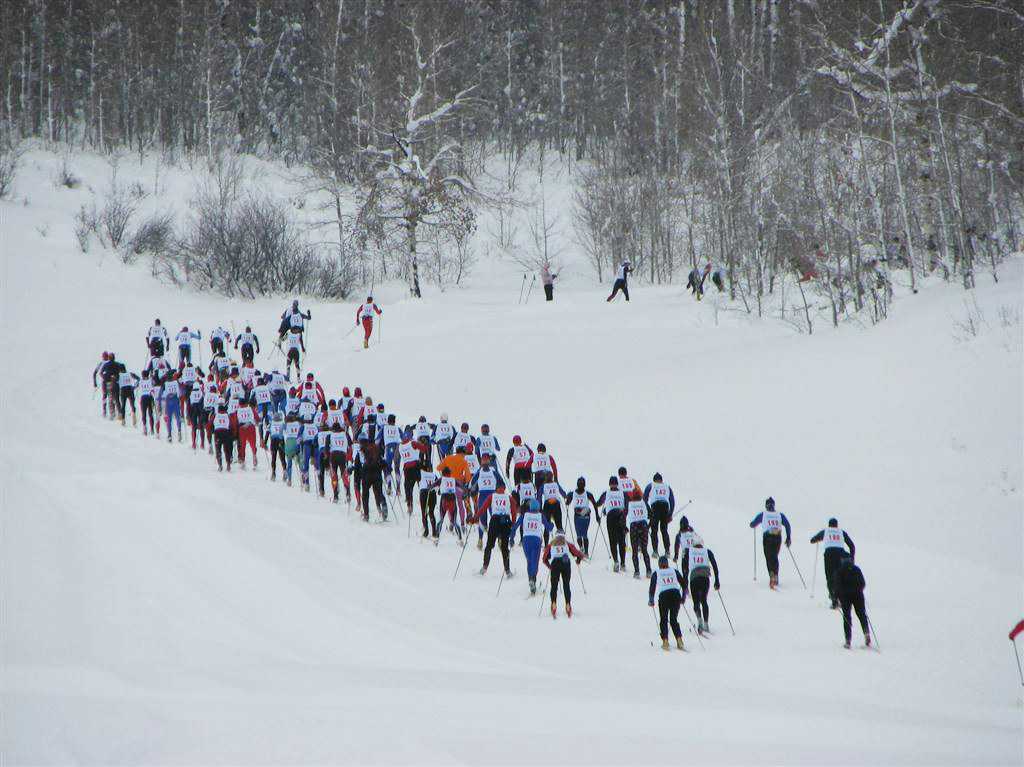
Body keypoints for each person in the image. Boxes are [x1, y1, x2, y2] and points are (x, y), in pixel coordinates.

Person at [469, 479, 517, 577]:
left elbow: (483, 508)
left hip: (495, 521)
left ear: (496, 488)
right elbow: (514, 510)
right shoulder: (509, 498)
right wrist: (513, 522)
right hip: (506, 521)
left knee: (489, 545)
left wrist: (475, 518)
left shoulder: (492, 496)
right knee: (504, 547)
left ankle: (484, 567)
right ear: (504, 488)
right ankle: (507, 571)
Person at [809, 519, 857, 609]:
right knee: (840, 577)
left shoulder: (826, 531)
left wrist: (816, 540)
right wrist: (852, 557)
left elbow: (812, 540)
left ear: (829, 525)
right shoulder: (841, 532)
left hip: (829, 555)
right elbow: (852, 545)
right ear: (837, 525)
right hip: (841, 555)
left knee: (830, 577)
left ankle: (834, 600)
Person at [749, 497, 792, 589]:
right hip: (777, 536)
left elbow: (754, 523)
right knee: (774, 556)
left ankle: (772, 575)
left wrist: (752, 524)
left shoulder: (763, 514)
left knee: (769, 557)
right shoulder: (779, 514)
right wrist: (788, 537)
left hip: (768, 537)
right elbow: (787, 525)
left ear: (766, 506)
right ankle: (775, 576)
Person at [680, 537, 720, 634]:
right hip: (705, 578)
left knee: (696, 601)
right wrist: (717, 580)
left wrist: (684, 583)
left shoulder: (689, 551)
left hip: (694, 578)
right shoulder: (707, 551)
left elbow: (684, 567)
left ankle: (699, 620)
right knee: (704, 600)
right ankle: (706, 624)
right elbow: (715, 565)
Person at [542, 532, 585, 619]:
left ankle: (553, 605)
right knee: (566, 585)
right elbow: (579, 554)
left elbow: (544, 559)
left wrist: (549, 566)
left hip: (555, 564)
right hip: (566, 563)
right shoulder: (567, 544)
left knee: (554, 586)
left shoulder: (551, 545)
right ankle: (568, 606)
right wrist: (578, 560)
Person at [648, 555, 687, 650]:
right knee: (673, 619)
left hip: (664, 596)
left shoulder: (656, 573)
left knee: (664, 619)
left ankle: (665, 641)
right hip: (675, 594)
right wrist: (683, 597)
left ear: (659, 564)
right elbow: (684, 584)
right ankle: (679, 640)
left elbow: (652, 587)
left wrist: (651, 600)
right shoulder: (674, 571)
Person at [512, 499, 550, 595]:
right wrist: (552, 525)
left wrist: (511, 538)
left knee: (529, 561)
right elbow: (549, 528)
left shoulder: (524, 515)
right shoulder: (540, 515)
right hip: (536, 540)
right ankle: (533, 579)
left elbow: (515, 526)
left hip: (526, 540)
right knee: (535, 561)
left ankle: (530, 580)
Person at [835, 553, 871, 649]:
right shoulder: (856, 569)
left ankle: (848, 640)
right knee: (861, 614)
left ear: (842, 560)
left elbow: (837, 586)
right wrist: (859, 590)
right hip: (858, 595)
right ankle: (866, 632)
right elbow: (863, 583)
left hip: (845, 597)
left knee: (847, 617)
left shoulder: (840, 571)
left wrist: (835, 598)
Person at [596, 476, 628, 572]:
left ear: (609, 484)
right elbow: (627, 505)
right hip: (621, 515)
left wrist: (603, 508)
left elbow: (598, 503)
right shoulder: (623, 493)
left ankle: (616, 562)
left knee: (612, 540)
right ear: (617, 484)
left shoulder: (606, 493)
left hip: (611, 517)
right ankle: (623, 563)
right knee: (622, 540)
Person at [644, 473, 676, 557]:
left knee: (654, 530)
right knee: (664, 530)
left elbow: (644, 499)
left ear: (654, 480)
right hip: (665, 507)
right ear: (662, 480)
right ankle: (667, 551)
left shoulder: (651, 485)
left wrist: (649, 511)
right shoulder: (667, 486)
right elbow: (672, 501)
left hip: (655, 507)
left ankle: (655, 551)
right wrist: (670, 513)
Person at [565, 478, 598, 557]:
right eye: (580, 484)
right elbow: (567, 503)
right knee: (580, 534)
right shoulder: (573, 494)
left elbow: (594, 504)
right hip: (578, 515)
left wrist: (597, 515)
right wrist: (567, 498)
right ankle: (582, 549)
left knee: (583, 534)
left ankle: (585, 551)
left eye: (582, 484)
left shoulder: (587, 494)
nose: (581, 486)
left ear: (584, 485)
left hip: (584, 514)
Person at [359, 436, 388, 521]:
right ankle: (383, 505)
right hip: (377, 474)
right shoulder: (377, 449)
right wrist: (385, 467)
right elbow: (383, 462)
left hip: (366, 474)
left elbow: (360, 463)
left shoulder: (362, 450)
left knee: (365, 495)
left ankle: (366, 515)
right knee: (379, 492)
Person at [627, 495, 652, 578]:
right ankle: (648, 571)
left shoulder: (630, 504)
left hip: (634, 526)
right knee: (644, 550)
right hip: (643, 525)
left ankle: (637, 571)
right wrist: (648, 526)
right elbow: (651, 514)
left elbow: (624, 514)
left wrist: (624, 526)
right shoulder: (644, 503)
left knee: (634, 551)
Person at [417, 461, 440, 541]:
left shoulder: (421, 473)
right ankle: (434, 531)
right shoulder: (434, 475)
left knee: (424, 513)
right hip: (432, 493)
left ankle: (426, 531)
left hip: (424, 492)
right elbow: (438, 486)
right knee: (431, 512)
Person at [212, 404, 233, 472]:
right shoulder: (227, 415)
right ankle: (228, 464)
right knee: (226, 449)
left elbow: (211, 423)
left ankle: (220, 465)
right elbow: (231, 424)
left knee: (218, 449)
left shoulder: (215, 415)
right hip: (226, 432)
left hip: (217, 432)